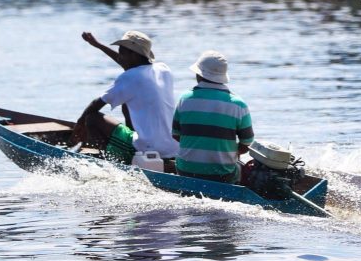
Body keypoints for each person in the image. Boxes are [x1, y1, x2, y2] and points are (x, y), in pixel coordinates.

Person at [72, 30, 179, 165]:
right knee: (126, 102)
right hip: (173, 147)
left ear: (134, 54)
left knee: (92, 118)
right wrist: (98, 45)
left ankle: (113, 162)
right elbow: (129, 66)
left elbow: (96, 104)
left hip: (148, 147)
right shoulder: (163, 69)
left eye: (122, 52)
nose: (119, 57)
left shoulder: (129, 77)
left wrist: (80, 124)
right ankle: (128, 150)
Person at [172, 51, 254, 183]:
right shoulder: (238, 105)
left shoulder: (184, 99)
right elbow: (247, 144)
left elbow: (176, 135)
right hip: (223, 175)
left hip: (185, 171)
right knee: (244, 169)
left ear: (199, 74)